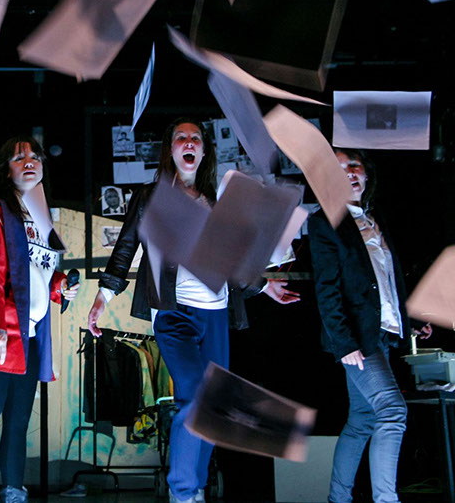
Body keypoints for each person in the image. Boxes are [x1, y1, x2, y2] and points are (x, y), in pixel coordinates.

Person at [87, 117, 300, 503]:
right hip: (173, 314)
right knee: (193, 395)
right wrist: (105, 294)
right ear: (170, 149)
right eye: (181, 137)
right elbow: (126, 246)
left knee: (212, 408)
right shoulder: (151, 196)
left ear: (203, 150)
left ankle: (196, 489)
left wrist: (265, 285)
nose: (189, 142)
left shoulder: (216, 201)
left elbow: (234, 260)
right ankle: (182, 491)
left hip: (215, 314)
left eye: (195, 138)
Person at [0, 136, 80, 503]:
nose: (29, 161)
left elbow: (36, 275)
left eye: (35, 156)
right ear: (4, 170)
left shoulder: (42, 218)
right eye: (18, 157)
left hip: (30, 336)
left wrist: (59, 287)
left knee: (18, 421)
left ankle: (14, 491)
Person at [309, 148, 431, 503]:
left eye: (354, 165)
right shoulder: (324, 222)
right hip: (358, 340)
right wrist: (343, 342)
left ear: (366, 173)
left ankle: (338, 499)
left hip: (383, 333)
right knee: (392, 411)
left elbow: (387, 281)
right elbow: (327, 288)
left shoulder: (376, 219)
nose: (349, 172)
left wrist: (410, 320)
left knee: (362, 418)